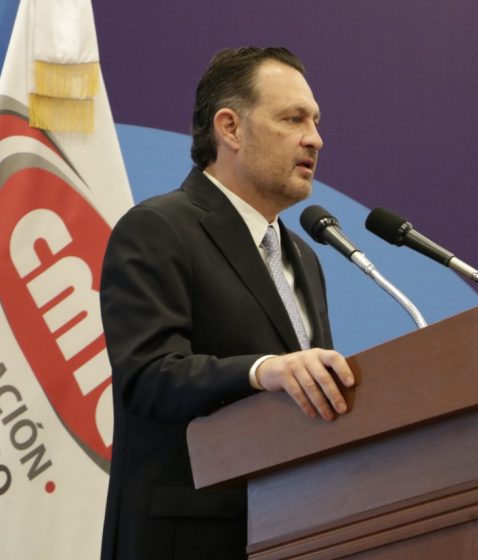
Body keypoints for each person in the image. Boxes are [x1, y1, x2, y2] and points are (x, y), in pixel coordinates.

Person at [99, 47, 355, 560]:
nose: (315, 138)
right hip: (187, 540)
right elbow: (148, 376)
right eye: (293, 119)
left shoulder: (304, 257)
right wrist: (262, 371)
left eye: (316, 122)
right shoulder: (158, 229)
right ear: (230, 128)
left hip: (291, 532)